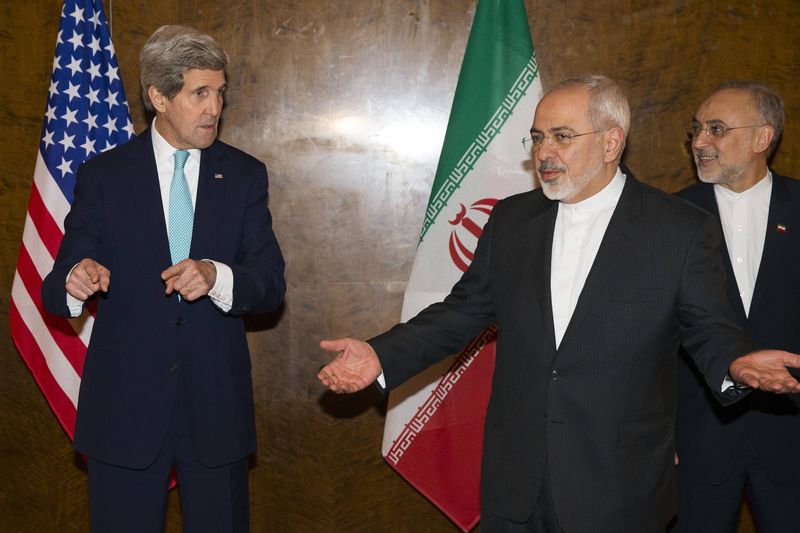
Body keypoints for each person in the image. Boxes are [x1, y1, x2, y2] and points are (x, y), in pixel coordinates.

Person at [316, 75, 800, 533]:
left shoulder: (678, 227)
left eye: (562, 136)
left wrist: (735, 361)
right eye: (537, 137)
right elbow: (460, 311)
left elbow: (706, 327)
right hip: (516, 484)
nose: (544, 152)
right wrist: (382, 355)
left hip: (617, 486)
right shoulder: (511, 220)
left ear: (611, 142)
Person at [41, 25, 285, 532]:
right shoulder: (104, 176)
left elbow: (270, 284)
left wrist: (217, 275)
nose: (214, 107)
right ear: (158, 97)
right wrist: (75, 278)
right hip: (124, 411)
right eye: (200, 93)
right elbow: (56, 280)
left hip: (216, 412)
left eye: (220, 92)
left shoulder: (243, 176)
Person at [674, 82, 800, 532]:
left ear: (762, 138)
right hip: (697, 439)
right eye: (697, 130)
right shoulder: (668, 218)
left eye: (717, 129)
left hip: (792, 434)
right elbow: (651, 337)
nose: (699, 142)